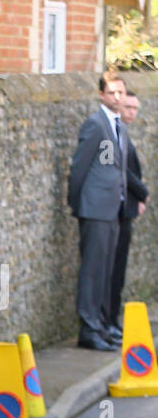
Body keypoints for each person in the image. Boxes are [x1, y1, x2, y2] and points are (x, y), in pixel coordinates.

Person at [68, 71, 128, 350]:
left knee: (105, 271)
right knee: (92, 271)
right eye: (112, 92)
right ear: (102, 95)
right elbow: (79, 167)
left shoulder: (119, 126)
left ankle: (102, 327)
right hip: (94, 209)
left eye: (121, 92)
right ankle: (89, 331)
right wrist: (77, 203)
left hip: (113, 209)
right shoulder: (95, 124)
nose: (117, 97)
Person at [108, 89, 148, 342]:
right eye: (128, 108)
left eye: (135, 108)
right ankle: (109, 321)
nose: (131, 113)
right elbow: (120, 171)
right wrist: (143, 192)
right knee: (112, 271)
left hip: (127, 209)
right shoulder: (114, 134)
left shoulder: (123, 134)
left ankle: (113, 320)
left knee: (119, 270)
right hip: (117, 212)